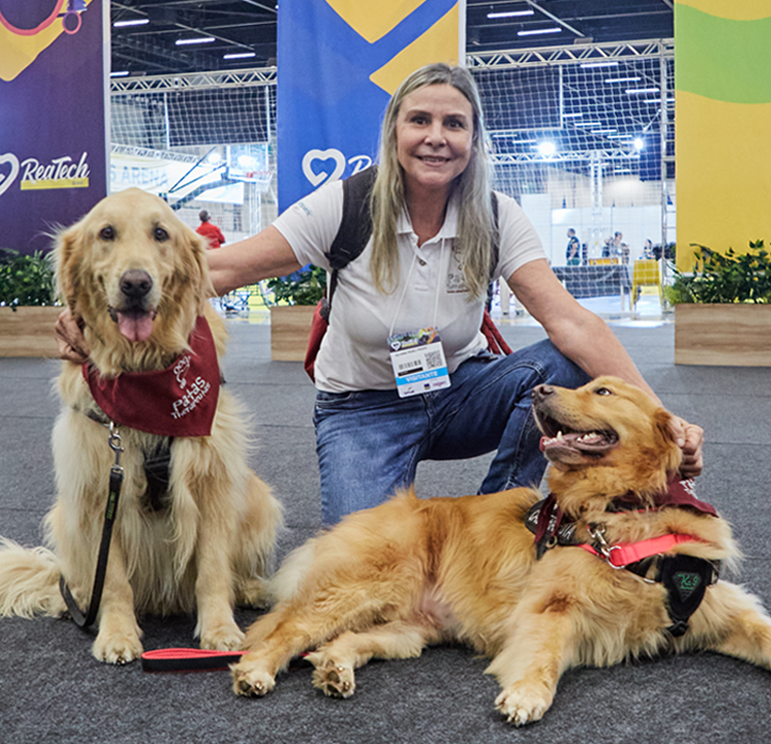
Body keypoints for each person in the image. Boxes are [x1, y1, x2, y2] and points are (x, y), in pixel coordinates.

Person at [57, 63, 702, 527]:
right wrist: (90, 308)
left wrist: (662, 418)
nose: (436, 136)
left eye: (455, 123)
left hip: (456, 393)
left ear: (473, 142)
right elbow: (218, 270)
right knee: (363, 552)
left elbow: (572, 324)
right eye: (419, 119)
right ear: (395, 131)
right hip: (361, 409)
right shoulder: (345, 204)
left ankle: (504, 519)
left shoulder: (498, 216)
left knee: (564, 366)